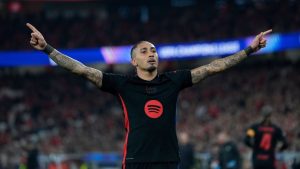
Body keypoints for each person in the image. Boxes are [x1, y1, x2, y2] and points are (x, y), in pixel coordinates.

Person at [26, 22, 271, 169]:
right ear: (134, 60)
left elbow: (213, 67)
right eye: (144, 51)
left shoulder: (173, 80)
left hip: (167, 160)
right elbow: (81, 69)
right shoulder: (123, 84)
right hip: (136, 160)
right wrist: (47, 48)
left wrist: (249, 49)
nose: (151, 53)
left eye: (153, 50)